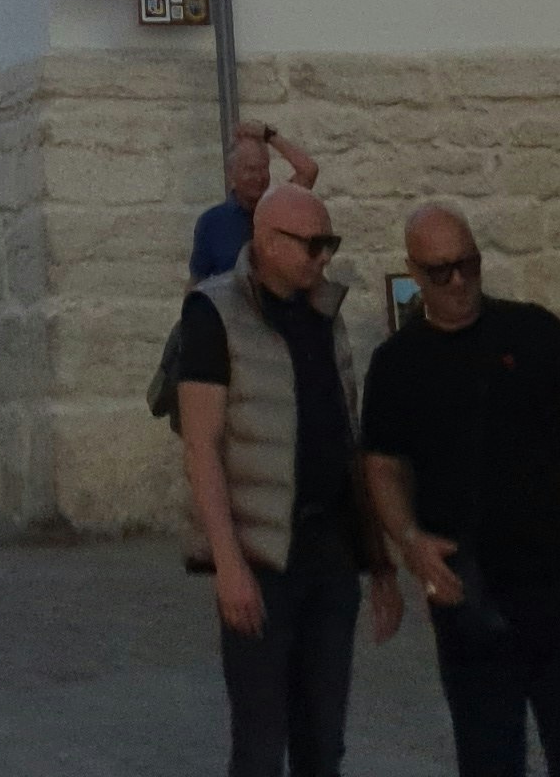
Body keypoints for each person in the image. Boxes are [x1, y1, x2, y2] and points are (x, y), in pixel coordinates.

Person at [359, 202, 560, 777]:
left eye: (468, 264)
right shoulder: (397, 365)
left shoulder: (532, 330)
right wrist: (408, 541)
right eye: (440, 271)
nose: (458, 281)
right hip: (468, 598)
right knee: (490, 762)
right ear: (413, 272)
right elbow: (381, 465)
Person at [175, 183, 399, 777]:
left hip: (328, 555)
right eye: (312, 244)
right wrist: (229, 566)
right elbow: (202, 447)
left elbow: (347, 439)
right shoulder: (213, 312)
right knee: (259, 742)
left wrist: (377, 561)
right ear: (269, 242)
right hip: (262, 559)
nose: (323, 257)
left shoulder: (326, 312)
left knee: (323, 741)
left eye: (330, 242)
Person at [191, 125, 322, 285]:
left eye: (263, 168)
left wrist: (269, 135)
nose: (259, 177)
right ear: (232, 172)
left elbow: (308, 170)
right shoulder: (211, 222)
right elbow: (197, 282)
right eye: (251, 169)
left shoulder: (279, 207)